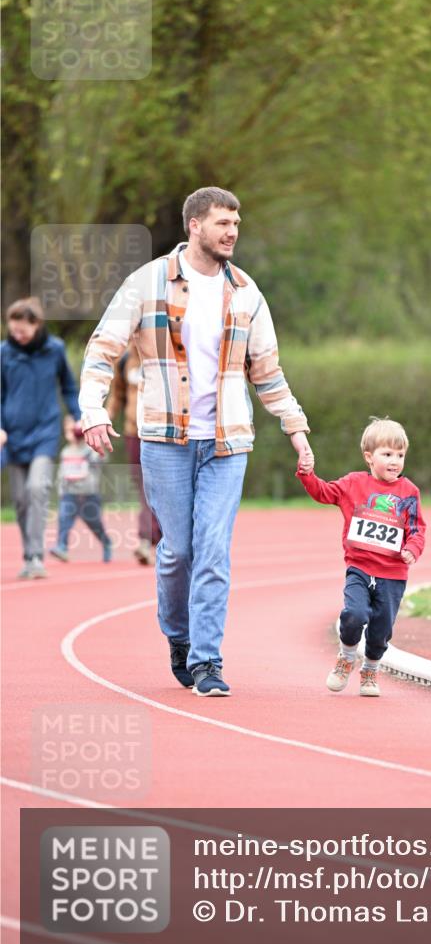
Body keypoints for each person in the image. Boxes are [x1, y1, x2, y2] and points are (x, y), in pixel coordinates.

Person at [79, 186, 313, 696]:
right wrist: (93, 410)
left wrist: (295, 426)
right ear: (194, 225)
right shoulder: (146, 284)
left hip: (228, 443)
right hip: (166, 439)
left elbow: (267, 372)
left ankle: (208, 662)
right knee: (177, 552)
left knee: (212, 552)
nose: (232, 232)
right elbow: (102, 350)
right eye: (222, 223)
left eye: (237, 223)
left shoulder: (247, 292)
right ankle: (179, 638)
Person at [297, 417, 426, 697]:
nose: (395, 461)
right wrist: (307, 474)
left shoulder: (409, 493)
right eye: (387, 454)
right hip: (359, 568)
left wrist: (412, 549)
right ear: (369, 457)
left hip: (392, 575)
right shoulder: (353, 483)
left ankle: (370, 668)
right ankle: (346, 656)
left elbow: (417, 529)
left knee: (381, 630)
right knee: (354, 615)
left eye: (400, 455)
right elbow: (323, 492)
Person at [1, 297, 81, 579]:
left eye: (22, 331)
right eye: (14, 331)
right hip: (12, 436)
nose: (17, 336)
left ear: (36, 325)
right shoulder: (4, 353)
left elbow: (69, 388)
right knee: (21, 500)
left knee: (37, 488)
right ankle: (29, 554)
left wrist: (78, 415)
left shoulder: (55, 350)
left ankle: (36, 556)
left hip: (45, 434)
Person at [106, 343, 161, 565]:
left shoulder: (163, 351)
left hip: (162, 433)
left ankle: (161, 539)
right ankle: (147, 540)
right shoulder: (125, 359)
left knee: (163, 488)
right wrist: (105, 418)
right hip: (134, 433)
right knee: (144, 489)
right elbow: (117, 395)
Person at [49, 419, 112, 563]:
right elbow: (62, 473)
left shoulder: (90, 449)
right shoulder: (66, 451)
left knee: (95, 524)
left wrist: (97, 440)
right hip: (69, 494)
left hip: (88, 495)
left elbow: (103, 458)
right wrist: (61, 491)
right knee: (64, 520)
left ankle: (106, 543)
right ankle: (62, 547)